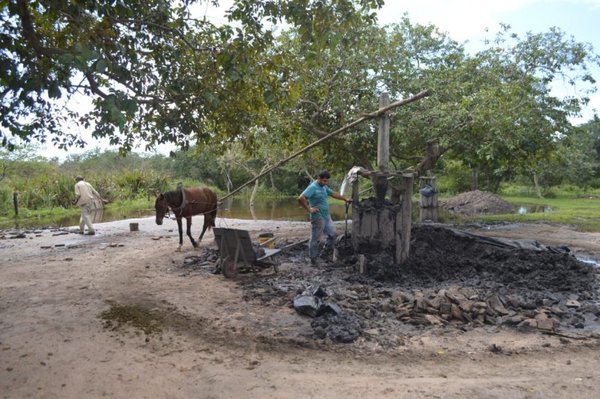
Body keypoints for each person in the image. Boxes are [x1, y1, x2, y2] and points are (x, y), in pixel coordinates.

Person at [298, 170, 351, 265]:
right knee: (315, 238)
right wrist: (309, 209)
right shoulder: (313, 187)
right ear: (318, 178)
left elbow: (333, 193)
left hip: (326, 216)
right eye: (323, 181)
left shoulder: (324, 187)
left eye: (326, 181)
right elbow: (301, 198)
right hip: (318, 217)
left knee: (333, 235)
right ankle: (313, 259)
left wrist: (345, 199)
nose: (325, 183)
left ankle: (324, 254)